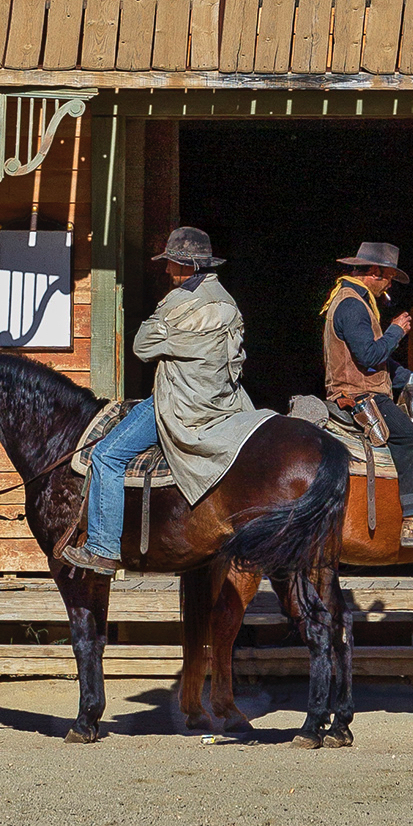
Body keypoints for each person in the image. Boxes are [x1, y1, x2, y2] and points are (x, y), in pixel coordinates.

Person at [71, 225, 273, 575]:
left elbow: (141, 347)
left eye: (171, 263)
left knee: (106, 455)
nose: (166, 269)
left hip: (180, 403)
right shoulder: (227, 300)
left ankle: (103, 547)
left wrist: (171, 341)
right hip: (224, 403)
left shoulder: (178, 303)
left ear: (186, 266)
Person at [322, 240, 413, 550]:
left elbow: (378, 361)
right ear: (375, 272)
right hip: (360, 395)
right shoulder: (353, 304)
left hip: (364, 389)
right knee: (411, 439)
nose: (389, 287)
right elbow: (370, 356)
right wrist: (396, 330)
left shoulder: (353, 300)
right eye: (388, 278)